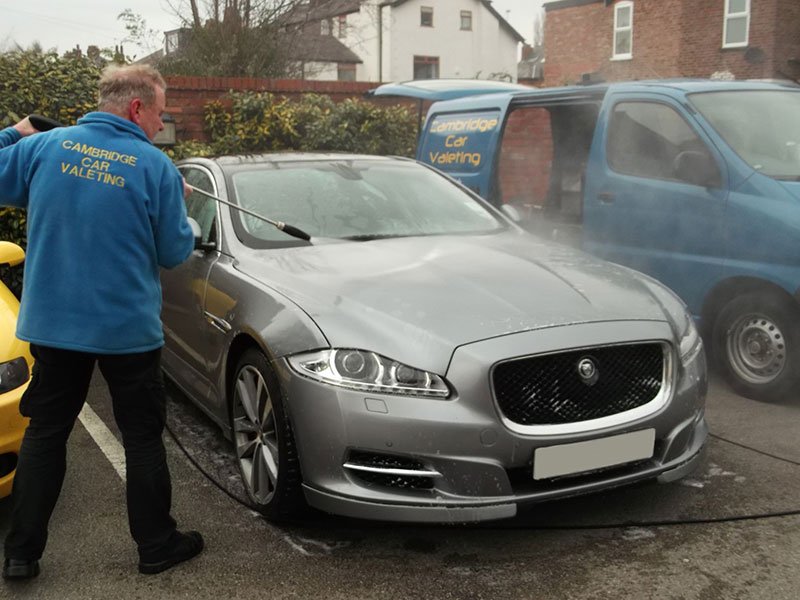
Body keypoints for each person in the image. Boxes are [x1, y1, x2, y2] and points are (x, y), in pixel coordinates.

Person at [0, 64, 203, 580]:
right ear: (137, 108)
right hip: (126, 333)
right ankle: (156, 546)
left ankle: (21, 553)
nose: (160, 125)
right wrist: (182, 208)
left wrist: (15, 131)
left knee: (46, 432)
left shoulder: (45, 148)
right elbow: (176, 250)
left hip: (54, 327)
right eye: (159, 113)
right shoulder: (154, 167)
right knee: (140, 437)